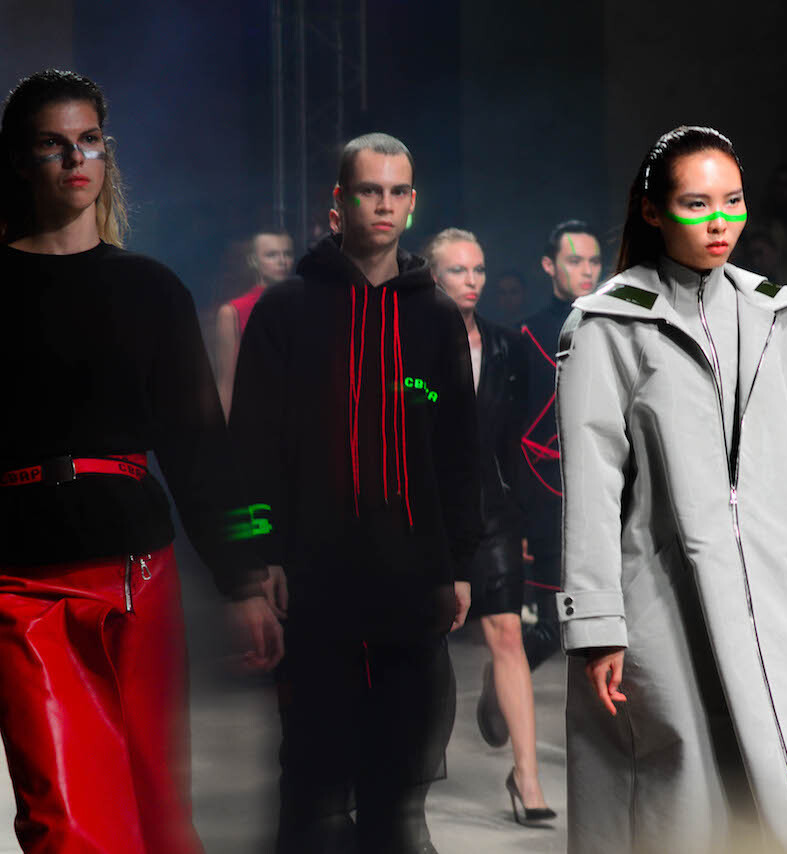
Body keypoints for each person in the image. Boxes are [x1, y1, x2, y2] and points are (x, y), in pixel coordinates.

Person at [556, 125, 787, 854]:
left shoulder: (786, 321)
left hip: (773, 600)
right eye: (697, 203)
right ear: (653, 211)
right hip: (660, 605)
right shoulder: (609, 325)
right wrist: (598, 623)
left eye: (733, 201)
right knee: (679, 804)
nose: (720, 222)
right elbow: (591, 485)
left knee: (784, 794)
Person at [0, 68, 282, 854]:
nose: (75, 158)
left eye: (88, 140)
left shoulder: (151, 289)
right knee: (66, 820)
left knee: (158, 810)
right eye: (53, 144)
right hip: (20, 584)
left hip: (138, 574)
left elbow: (200, 445)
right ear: (20, 161)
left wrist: (244, 575)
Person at [229, 132, 481, 853]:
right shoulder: (286, 310)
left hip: (411, 578)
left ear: (413, 203)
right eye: (370, 190)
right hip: (315, 581)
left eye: (398, 191)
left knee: (397, 785)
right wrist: (257, 561)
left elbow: (458, 452)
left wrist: (461, 563)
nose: (385, 205)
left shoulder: (433, 315)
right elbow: (250, 448)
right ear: (338, 203)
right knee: (312, 780)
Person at [424, 227, 554, 824]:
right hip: (425, 512)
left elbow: (515, 443)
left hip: (492, 511)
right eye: (458, 270)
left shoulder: (505, 347)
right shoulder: (408, 345)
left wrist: (523, 519)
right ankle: (404, 778)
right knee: (422, 641)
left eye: (478, 269)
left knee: (507, 632)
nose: (472, 280)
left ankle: (527, 778)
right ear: (433, 276)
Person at [517, 219, 602, 670]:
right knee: (553, 628)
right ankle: (502, 685)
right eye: (574, 260)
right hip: (551, 502)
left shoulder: (615, 327)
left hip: (610, 499)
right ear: (549, 265)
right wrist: (522, 517)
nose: (586, 270)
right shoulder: (526, 336)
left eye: (593, 261)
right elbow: (519, 432)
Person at [212, 227, 294, 416]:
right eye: (272, 255)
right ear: (253, 261)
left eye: (287, 254)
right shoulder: (233, 312)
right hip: (255, 416)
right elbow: (226, 382)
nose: (282, 261)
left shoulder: (304, 303)